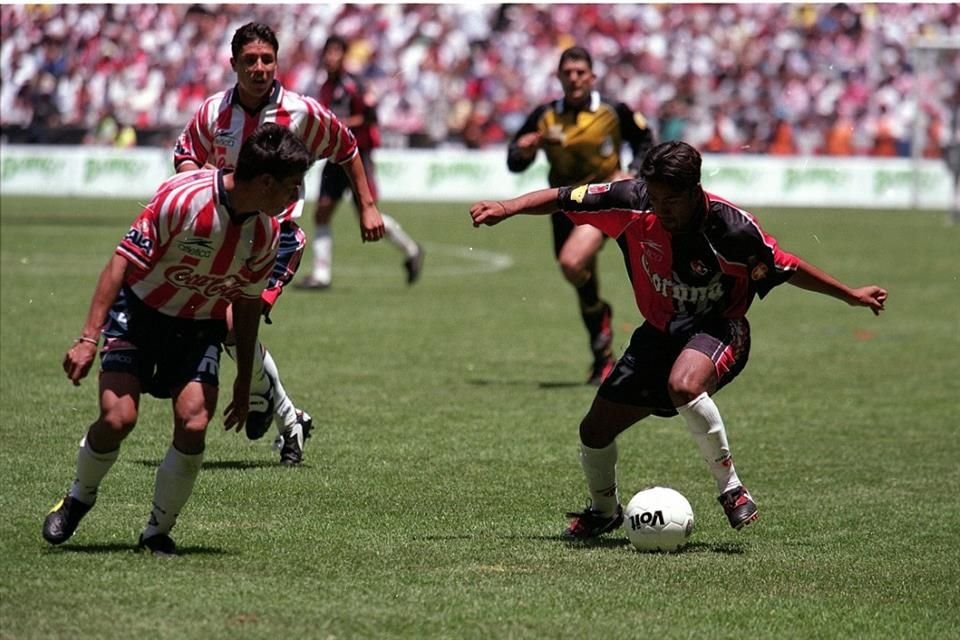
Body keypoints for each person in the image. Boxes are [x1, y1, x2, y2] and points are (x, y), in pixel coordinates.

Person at [470, 140, 887, 539]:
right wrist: (507, 208)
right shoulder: (631, 200)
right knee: (594, 431)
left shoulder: (731, 229)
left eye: (670, 200)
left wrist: (849, 294)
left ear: (693, 191)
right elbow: (563, 197)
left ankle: (732, 488)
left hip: (720, 329)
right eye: (654, 197)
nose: (660, 208)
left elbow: (787, 267)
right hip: (658, 335)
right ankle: (603, 513)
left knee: (683, 385)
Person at [43, 123, 313, 556]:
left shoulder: (263, 235)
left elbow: (244, 309)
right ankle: (78, 498)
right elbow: (119, 264)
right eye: (292, 185)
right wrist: (87, 339)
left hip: (198, 327)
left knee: (194, 424)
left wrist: (245, 378)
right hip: (139, 314)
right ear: (265, 182)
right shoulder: (182, 198)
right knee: (117, 420)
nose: (296, 195)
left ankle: (156, 533)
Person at [175, 23, 386, 464]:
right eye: (249, 60)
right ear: (233, 64)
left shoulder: (301, 112)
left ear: (277, 62)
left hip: (278, 236)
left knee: (234, 324)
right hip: (226, 236)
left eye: (266, 59)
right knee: (228, 329)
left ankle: (270, 406)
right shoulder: (213, 112)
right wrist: (199, 194)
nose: (258, 68)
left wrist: (367, 205)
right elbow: (186, 156)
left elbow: (347, 146)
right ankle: (288, 417)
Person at [506, 46, 655, 385]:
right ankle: (602, 354)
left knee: (573, 264)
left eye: (579, 72)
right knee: (579, 277)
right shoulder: (545, 115)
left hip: (603, 202)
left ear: (592, 77)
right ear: (559, 77)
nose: (573, 78)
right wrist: (524, 152)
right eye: (567, 72)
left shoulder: (613, 111)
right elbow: (514, 160)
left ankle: (615, 342)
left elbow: (645, 139)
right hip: (562, 206)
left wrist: (630, 172)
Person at [297, 34, 425, 290]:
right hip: (335, 159)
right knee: (322, 212)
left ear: (344, 56)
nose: (330, 57)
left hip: (357, 158)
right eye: (328, 52)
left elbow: (370, 118)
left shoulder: (355, 85)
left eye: (336, 52)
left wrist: (338, 126)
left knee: (367, 215)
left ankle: (412, 250)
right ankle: (321, 275)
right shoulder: (326, 87)